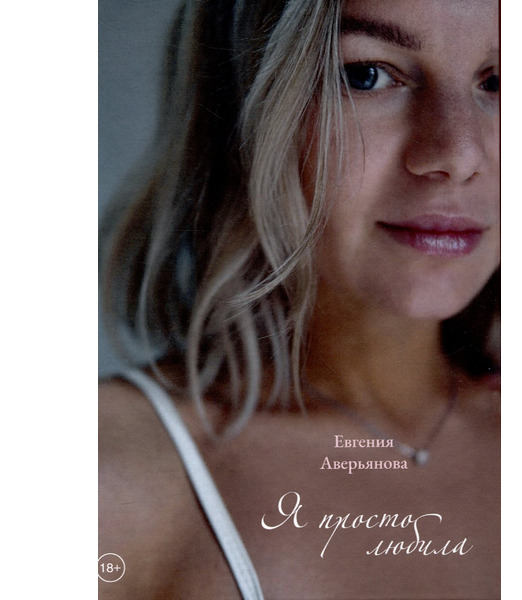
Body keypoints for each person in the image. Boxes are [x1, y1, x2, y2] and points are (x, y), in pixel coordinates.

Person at [99, 0, 500, 598]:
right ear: (243, 104)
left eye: (501, 84)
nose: (459, 155)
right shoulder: (108, 474)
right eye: (365, 75)